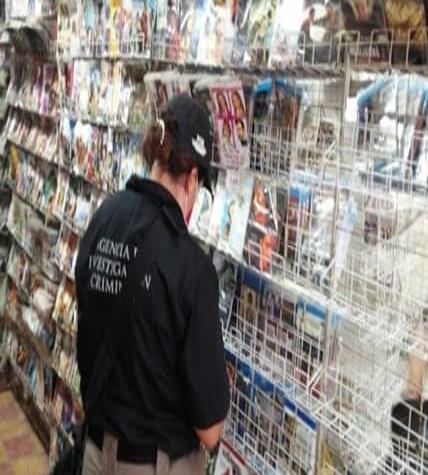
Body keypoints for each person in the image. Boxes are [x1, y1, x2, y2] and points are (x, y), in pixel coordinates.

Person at [75, 95, 230, 475]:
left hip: (93, 451)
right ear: (192, 178)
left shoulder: (103, 219)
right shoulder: (192, 269)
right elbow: (210, 431)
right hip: (153, 463)